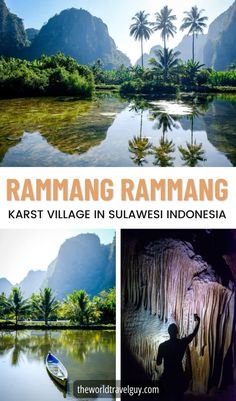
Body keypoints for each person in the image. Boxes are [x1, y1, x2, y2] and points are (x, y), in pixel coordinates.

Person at [156, 314, 200, 401]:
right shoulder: (181, 343)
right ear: (177, 332)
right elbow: (193, 334)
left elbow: (158, 362)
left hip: (167, 377)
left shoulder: (162, 346)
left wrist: (161, 356)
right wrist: (198, 321)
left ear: (169, 332)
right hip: (178, 377)